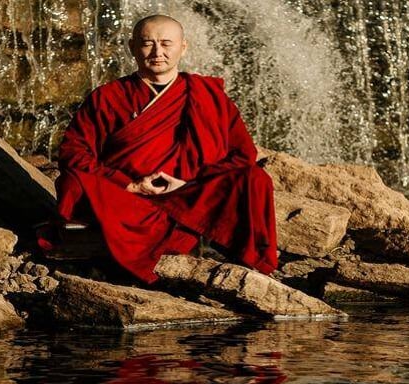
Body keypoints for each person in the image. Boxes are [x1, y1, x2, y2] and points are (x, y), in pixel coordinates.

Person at [53, 14, 278, 283]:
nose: (158, 52)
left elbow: (243, 154)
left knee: (254, 178)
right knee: (74, 181)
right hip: (129, 194)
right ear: (132, 47)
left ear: (183, 47)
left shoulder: (207, 94)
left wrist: (187, 184)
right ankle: (197, 243)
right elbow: (74, 152)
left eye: (166, 43)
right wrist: (130, 184)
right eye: (148, 43)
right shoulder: (108, 96)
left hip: (192, 191)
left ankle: (233, 255)